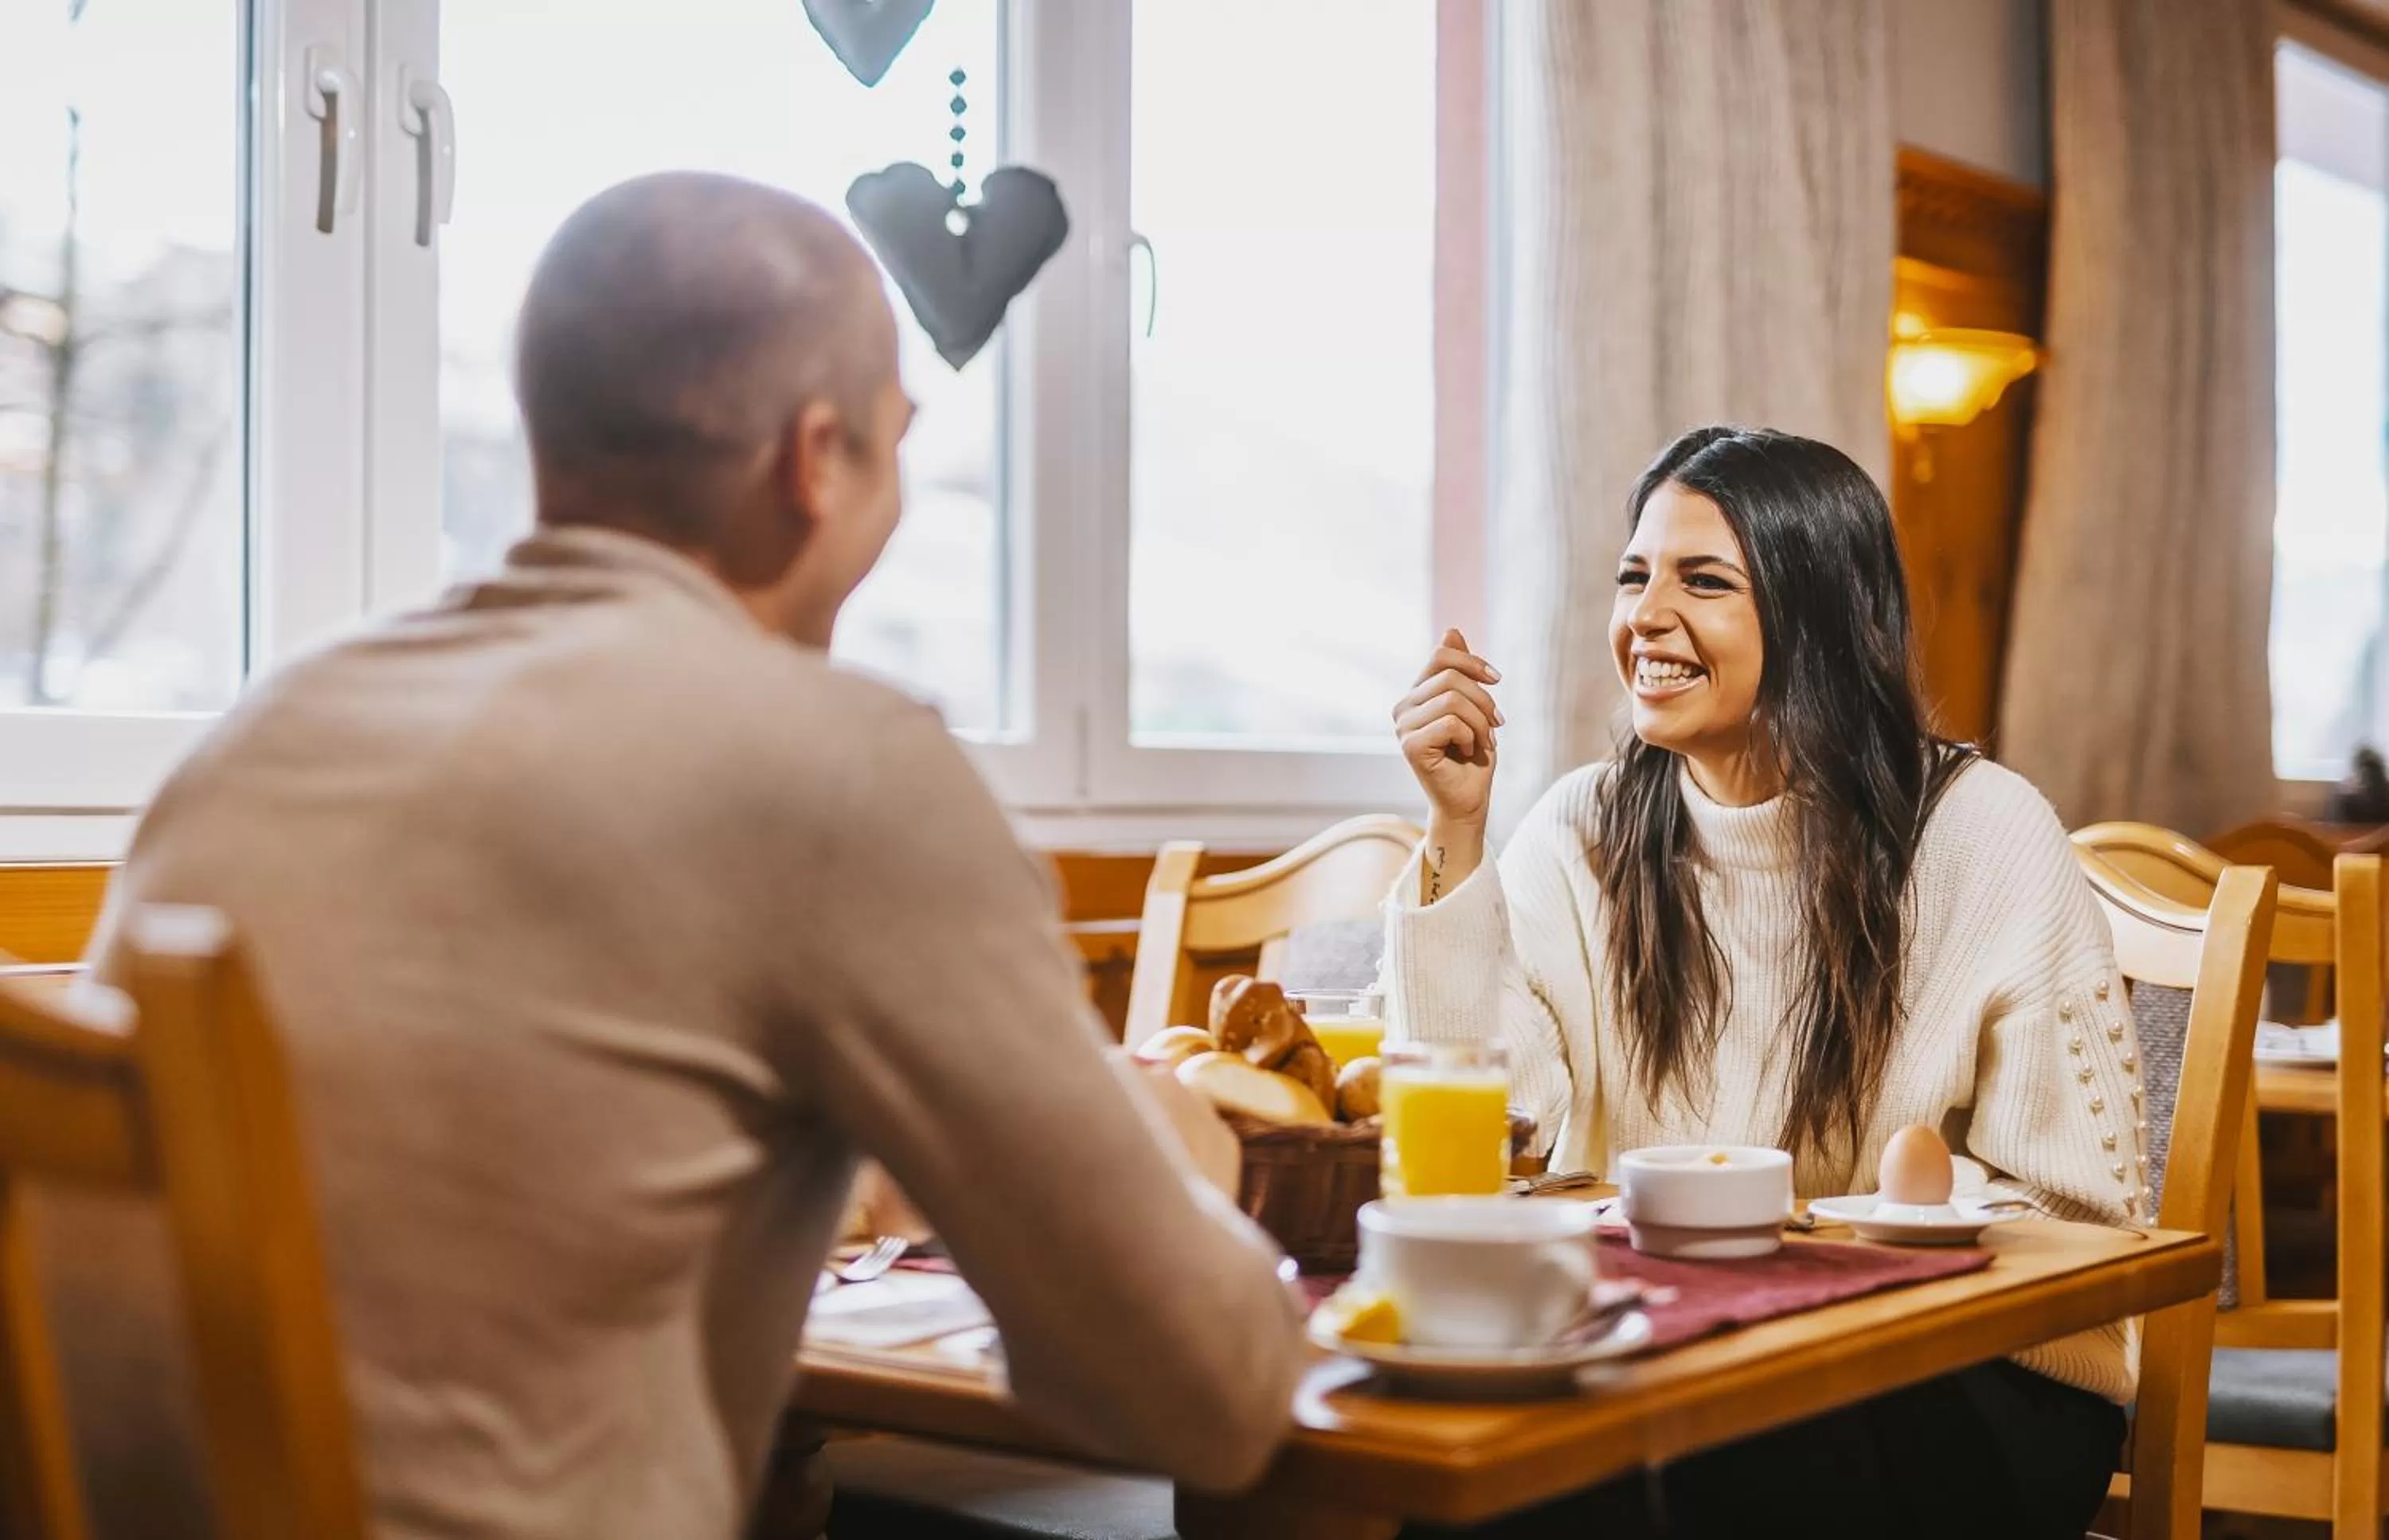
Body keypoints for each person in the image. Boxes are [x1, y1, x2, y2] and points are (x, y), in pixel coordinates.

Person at [50, 172, 1302, 1540]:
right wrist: (1186, 1147)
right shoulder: (840, 764)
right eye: (897, 437)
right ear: (814, 461)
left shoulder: (264, 733)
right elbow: (1207, 1400)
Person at [1384, 425, 2138, 1539]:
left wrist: (1840, 1248)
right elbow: (1491, 1133)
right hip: (1685, 1357)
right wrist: (1456, 826)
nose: (1646, 616)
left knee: (1683, 1462)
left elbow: (2077, 1219)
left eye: (1703, 582)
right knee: (1463, 1466)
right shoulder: (1585, 826)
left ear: (1820, 614)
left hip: (1975, 1369)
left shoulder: (1982, 831)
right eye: (1634, 576)